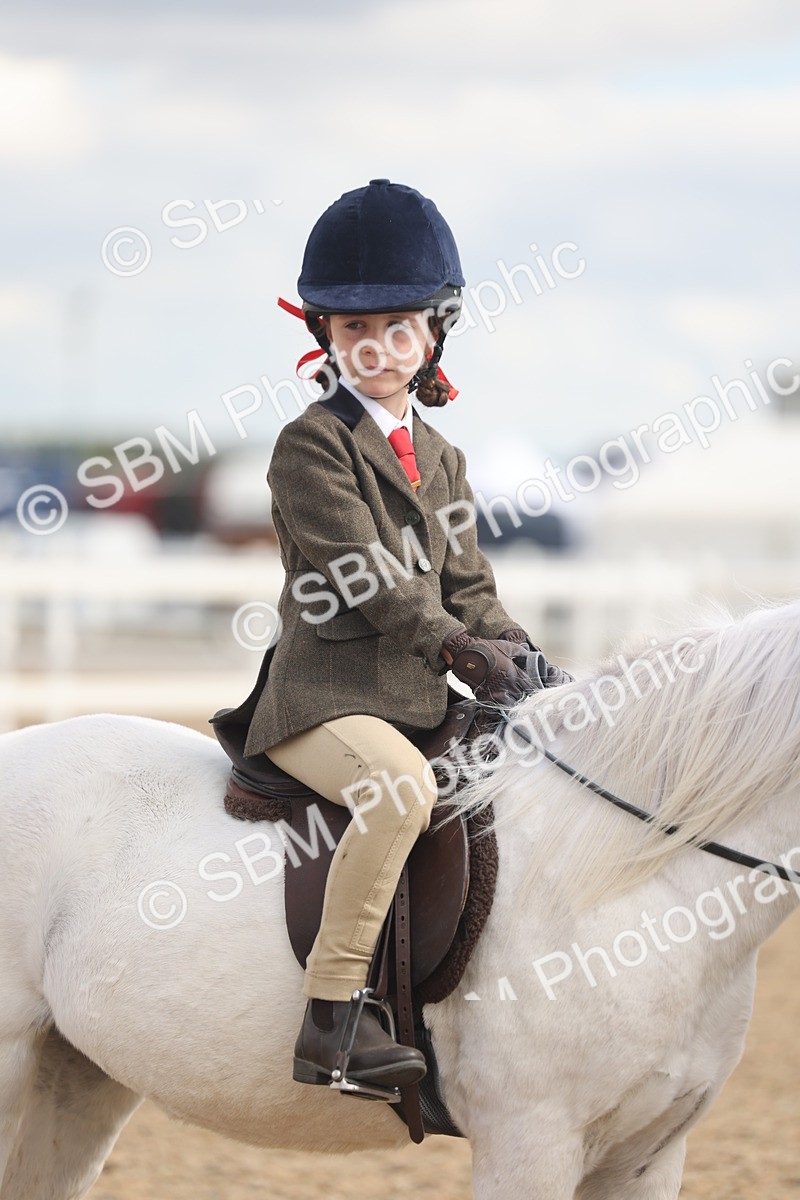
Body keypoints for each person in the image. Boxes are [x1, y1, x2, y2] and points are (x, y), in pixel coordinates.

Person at [241, 179, 569, 1092]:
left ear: (433, 334)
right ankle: (333, 1019)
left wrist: (532, 664)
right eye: (354, 330)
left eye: (397, 326)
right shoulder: (309, 447)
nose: (375, 347)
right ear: (325, 338)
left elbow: (468, 587)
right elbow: (371, 580)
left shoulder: (447, 459)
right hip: (324, 700)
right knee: (398, 789)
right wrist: (460, 651)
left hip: (418, 693)